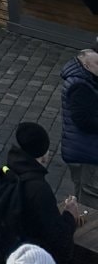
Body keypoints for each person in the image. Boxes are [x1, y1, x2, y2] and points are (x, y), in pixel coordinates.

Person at [0, 121, 84, 264]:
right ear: (44, 157)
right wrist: (70, 215)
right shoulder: (39, 190)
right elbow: (60, 243)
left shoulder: (9, 173)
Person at [61, 47, 98, 199]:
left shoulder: (89, 79)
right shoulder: (80, 86)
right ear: (86, 65)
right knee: (89, 196)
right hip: (86, 154)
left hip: (85, 150)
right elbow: (84, 121)